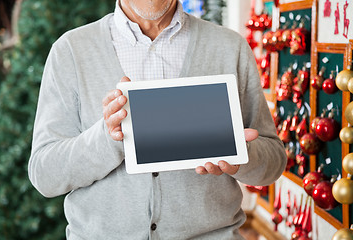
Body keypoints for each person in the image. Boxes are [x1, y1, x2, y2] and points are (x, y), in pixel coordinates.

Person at [28, 0, 286, 239]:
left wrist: (242, 155)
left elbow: (274, 162)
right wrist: (108, 137)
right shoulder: (71, 51)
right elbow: (45, 174)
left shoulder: (230, 47)